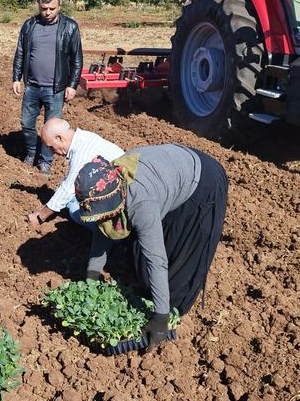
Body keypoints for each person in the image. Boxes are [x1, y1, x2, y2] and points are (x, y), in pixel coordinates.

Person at [74, 145, 228, 351]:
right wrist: (92, 275)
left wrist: (161, 317)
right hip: (169, 171)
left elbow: (156, 259)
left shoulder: (141, 202)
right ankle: (156, 295)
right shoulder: (107, 182)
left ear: (117, 199)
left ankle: (172, 309)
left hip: (202, 181)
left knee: (179, 262)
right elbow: (102, 229)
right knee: (143, 252)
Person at [12, 0, 83, 176]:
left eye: (52, 8)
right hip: (32, 86)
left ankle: (45, 161)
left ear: (59, 5)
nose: (48, 12)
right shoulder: (29, 26)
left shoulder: (70, 27)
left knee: (51, 128)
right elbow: (20, 53)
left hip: (56, 88)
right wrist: (16, 78)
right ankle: (31, 152)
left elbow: (77, 58)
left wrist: (72, 85)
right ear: (39, 5)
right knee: (27, 123)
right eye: (44, 8)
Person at [25, 118, 124, 234]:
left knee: (73, 208)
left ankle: (108, 234)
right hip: (118, 189)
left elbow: (68, 188)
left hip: (120, 202)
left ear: (59, 138)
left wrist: (40, 216)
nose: (51, 152)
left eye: (51, 146)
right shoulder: (84, 138)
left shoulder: (81, 153)